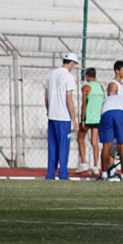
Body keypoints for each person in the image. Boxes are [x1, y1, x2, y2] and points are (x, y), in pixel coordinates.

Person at [44, 52, 79, 180]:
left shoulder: (51, 74)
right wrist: (74, 119)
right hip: (63, 117)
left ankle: (50, 174)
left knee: (52, 147)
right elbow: (68, 99)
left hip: (52, 116)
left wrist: (49, 110)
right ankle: (63, 174)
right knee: (63, 147)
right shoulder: (68, 77)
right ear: (72, 63)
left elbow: (46, 96)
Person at [98, 90, 123, 181]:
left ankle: (104, 174)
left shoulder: (107, 99)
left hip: (106, 113)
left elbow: (102, 112)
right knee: (122, 145)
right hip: (122, 113)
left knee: (106, 145)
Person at [77, 67, 104, 175]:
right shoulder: (100, 87)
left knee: (80, 139)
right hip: (98, 118)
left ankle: (84, 163)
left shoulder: (86, 87)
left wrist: (82, 118)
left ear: (87, 76)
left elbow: (84, 104)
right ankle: (96, 166)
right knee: (94, 142)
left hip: (89, 117)